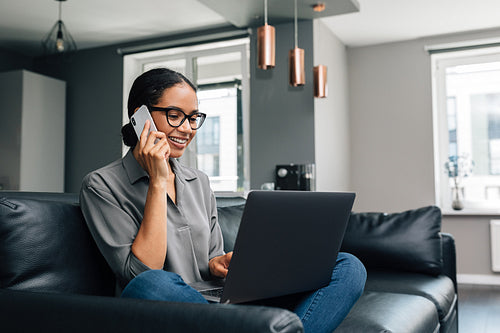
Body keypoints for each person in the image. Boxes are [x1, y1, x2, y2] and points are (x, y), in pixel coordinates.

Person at [80, 67, 366, 332]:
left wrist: (221, 264)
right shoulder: (101, 185)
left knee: (348, 265)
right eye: (175, 115)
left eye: (193, 118)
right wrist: (157, 180)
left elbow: (211, 258)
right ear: (139, 115)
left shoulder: (199, 182)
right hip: (167, 309)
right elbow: (141, 274)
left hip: (222, 305)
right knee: (151, 285)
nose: (188, 128)